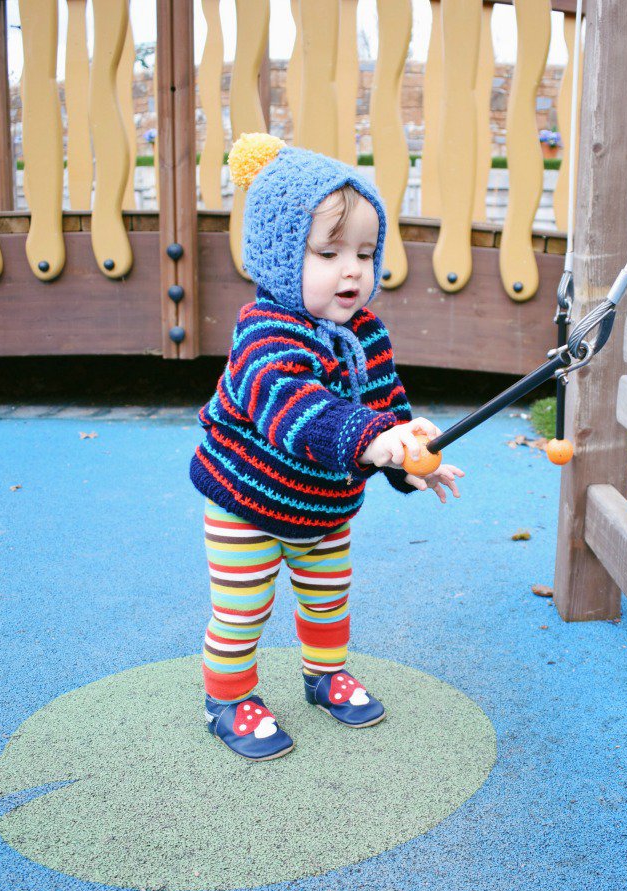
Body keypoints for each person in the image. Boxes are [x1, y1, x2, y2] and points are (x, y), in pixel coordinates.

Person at [190, 133, 464, 760]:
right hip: (246, 501)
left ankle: (323, 675)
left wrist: (408, 456)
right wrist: (374, 440)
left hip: (324, 507)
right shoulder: (265, 335)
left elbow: (386, 404)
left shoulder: (366, 331)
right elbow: (300, 414)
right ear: (282, 258)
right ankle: (228, 698)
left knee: (328, 593)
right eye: (328, 252)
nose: (352, 269)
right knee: (243, 605)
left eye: (365, 254)